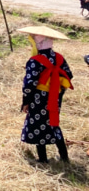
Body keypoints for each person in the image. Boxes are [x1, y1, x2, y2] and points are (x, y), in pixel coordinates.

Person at [17, 26, 73, 163]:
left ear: (38, 43)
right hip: (55, 96)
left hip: (39, 98)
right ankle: (64, 157)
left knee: (38, 124)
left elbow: (29, 85)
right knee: (53, 122)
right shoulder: (59, 57)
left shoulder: (35, 60)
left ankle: (42, 159)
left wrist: (26, 102)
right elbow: (68, 75)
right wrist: (57, 91)